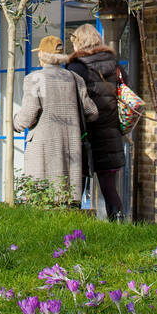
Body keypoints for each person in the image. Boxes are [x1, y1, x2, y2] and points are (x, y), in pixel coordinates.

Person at [13, 34, 97, 200]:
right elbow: (92, 112)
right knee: (68, 202)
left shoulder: (35, 79)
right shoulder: (75, 79)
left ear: (42, 56)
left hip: (43, 150)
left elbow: (29, 115)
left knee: (42, 200)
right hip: (71, 150)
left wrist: (14, 122)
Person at [66, 22, 126, 221]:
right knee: (109, 186)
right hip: (111, 132)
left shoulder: (76, 66)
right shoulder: (114, 63)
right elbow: (124, 92)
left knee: (78, 183)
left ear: (79, 42)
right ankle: (118, 224)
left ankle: (75, 230)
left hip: (86, 134)